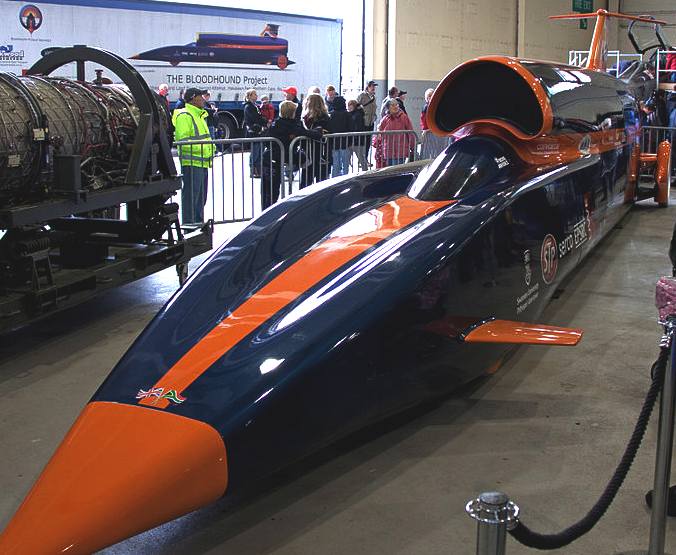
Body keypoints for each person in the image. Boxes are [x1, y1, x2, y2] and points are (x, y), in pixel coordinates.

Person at [261, 100, 322, 209]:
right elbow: (313, 135)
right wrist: (318, 130)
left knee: (266, 189)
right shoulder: (293, 126)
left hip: (268, 158)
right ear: (292, 112)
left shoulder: (275, 124)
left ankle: (264, 213)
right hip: (280, 159)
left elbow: (264, 139)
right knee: (273, 190)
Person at [172, 88, 215, 224]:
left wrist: (210, 149)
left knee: (200, 199)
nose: (203, 98)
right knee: (192, 198)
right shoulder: (185, 115)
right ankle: (190, 226)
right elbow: (183, 141)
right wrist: (203, 149)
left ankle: (198, 225)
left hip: (202, 162)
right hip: (192, 163)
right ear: (193, 98)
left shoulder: (199, 114)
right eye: (200, 96)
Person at [301, 93, 331, 186]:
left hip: (313, 153)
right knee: (321, 183)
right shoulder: (326, 117)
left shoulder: (308, 119)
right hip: (320, 152)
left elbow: (322, 134)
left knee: (306, 183)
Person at [374, 98, 414, 167]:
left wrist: (413, 147)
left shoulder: (404, 117)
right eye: (393, 105)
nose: (395, 107)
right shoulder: (385, 119)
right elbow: (379, 132)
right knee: (390, 172)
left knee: (398, 171)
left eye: (397, 105)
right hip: (388, 151)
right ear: (388, 108)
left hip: (401, 151)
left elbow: (410, 133)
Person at [419, 87, 449, 159]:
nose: (432, 97)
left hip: (437, 131)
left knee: (439, 150)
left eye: (433, 95)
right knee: (430, 152)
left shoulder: (437, 106)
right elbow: (423, 120)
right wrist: (426, 129)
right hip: (430, 132)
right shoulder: (426, 107)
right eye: (430, 96)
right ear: (427, 98)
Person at [243, 88, 267, 178]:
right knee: (255, 152)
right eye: (254, 94)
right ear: (249, 96)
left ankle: (259, 170)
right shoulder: (248, 107)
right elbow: (256, 118)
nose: (256, 96)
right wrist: (263, 122)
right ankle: (253, 170)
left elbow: (260, 116)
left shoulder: (255, 106)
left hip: (258, 132)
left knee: (260, 152)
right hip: (254, 132)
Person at [356, 80, 378, 163]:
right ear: (367, 87)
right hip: (363, 123)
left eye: (374, 86)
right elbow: (356, 106)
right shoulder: (362, 95)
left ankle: (365, 159)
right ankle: (361, 160)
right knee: (362, 142)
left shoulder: (373, 97)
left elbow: (374, 108)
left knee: (368, 142)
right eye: (371, 86)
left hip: (370, 123)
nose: (373, 88)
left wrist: (374, 117)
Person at [329, 95, 350, 177]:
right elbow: (350, 127)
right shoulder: (346, 114)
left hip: (334, 142)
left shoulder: (331, 114)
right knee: (345, 164)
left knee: (335, 163)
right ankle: (345, 179)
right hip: (345, 141)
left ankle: (334, 180)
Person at [347, 99, 368, 171]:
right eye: (348, 105)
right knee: (360, 157)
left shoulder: (357, 115)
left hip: (356, 139)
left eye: (350, 105)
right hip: (355, 139)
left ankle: (365, 171)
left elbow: (358, 127)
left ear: (354, 106)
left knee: (360, 157)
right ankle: (365, 171)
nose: (349, 107)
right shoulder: (356, 114)